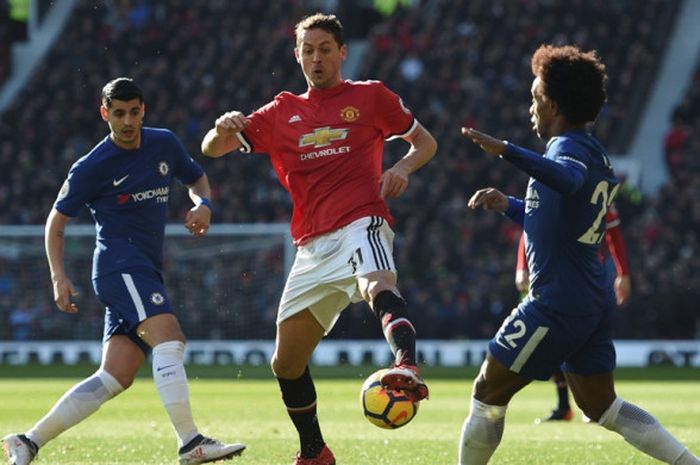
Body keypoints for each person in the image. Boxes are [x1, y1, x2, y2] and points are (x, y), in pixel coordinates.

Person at [201, 13, 437, 465]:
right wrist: (223, 126)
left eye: (325, 48)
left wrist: (401, 168)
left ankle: (406, 364)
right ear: (297, 56)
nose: (316, 58)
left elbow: (425, 142)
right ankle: (314, 451)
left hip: (361, 221)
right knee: (285, 363)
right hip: (311, 246)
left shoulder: (371, 97)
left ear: (342, 52)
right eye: (307, 50)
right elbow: (212, 149)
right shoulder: (279, 112)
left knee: (376, 284)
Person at [458, 45, 699, 465]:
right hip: (590, 298)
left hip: (555, 302)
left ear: (553, 104)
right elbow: (560, 212)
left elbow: (568, 181)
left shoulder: (566, 148)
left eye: (535, 100)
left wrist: (508, 150)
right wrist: (509, 204)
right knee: (602, 406)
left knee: (486, 392)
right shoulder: (592, 149)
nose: (531, 109)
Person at [2, 78, 245, 465]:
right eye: (119, 113)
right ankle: (190, 442)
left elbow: (196, 177)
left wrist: (204, 205)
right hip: (119, 267)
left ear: (143, 109)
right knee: (170, 338)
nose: (128, 121)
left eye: (134, 112)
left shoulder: (163, 142)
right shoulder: (91, 166)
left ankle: (27, 442)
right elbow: (55, 222)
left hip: (144, 268)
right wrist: (58, 277)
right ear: (105, 113)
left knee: (116, 376)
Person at [514, 204, 632, 423]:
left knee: (585, 341)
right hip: (550, 278)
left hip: (586, 278)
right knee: (552, 342)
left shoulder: (597, 187)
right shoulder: (549, 185)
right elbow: (529, 225)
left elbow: (613, 231)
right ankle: (566, 405)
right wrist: (522, 266)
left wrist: (623, 273)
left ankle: (596, 402)